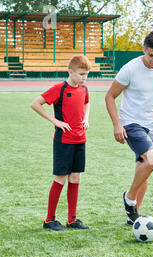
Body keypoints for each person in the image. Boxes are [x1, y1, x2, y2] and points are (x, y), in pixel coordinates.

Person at [105, 31, 153, 225]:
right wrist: (116, 124)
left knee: (144, 168)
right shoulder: (130, 69)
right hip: (131, 123)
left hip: (152, 125)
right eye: (151, 55)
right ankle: (129, 198)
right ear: (144, 50)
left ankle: (133, 216)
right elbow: (110, 96)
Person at [31, 55, 91, 231]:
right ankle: (49, 220)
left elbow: (87, 103)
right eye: (81, 74)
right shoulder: (59, 89)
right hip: (63, 140)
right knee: (61, 178)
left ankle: (72, 220)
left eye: (86, 74)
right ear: (70, 72)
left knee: (76, 177)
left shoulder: (84, 89)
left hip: (80, 139)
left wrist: (86, 118)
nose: (84, 78)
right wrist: (55, 121)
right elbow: (35, 104)